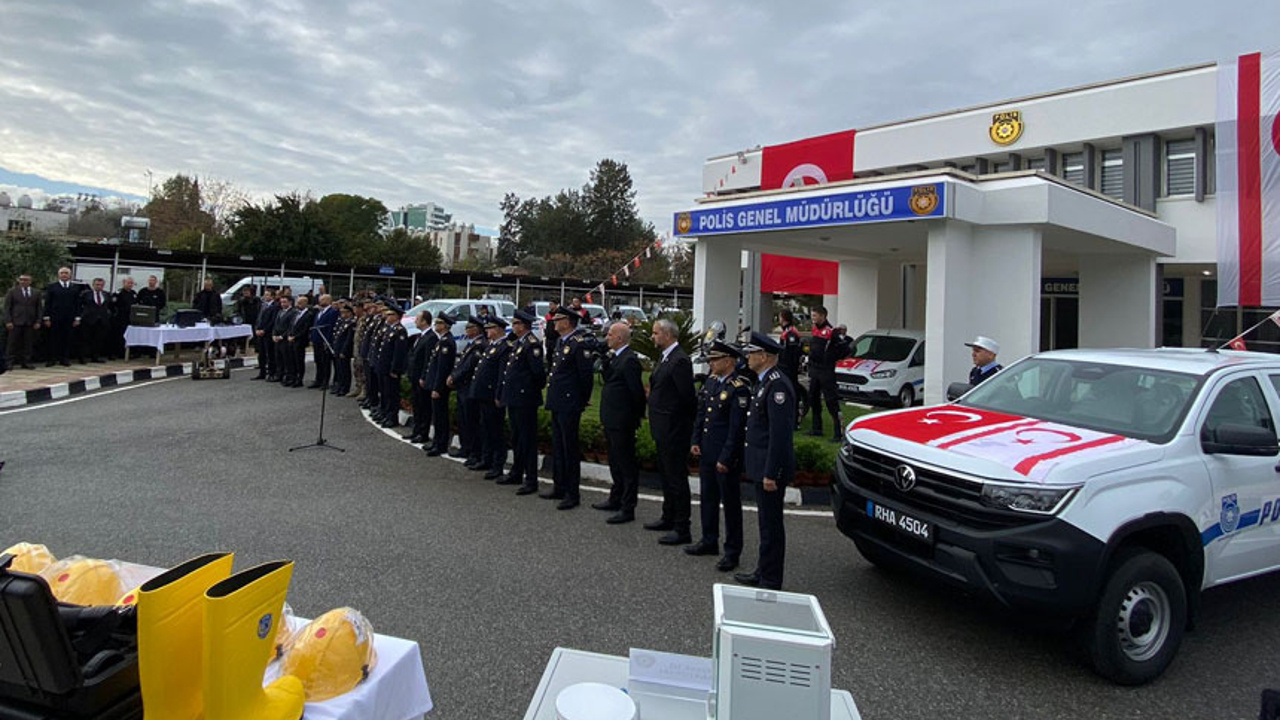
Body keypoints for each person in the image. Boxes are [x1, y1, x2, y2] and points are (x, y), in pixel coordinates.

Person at [735, 332, 796, 591]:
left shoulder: (777, 385)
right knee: (765, 523)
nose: (747, 357)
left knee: (771, 524)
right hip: (760, 465)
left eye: (752, 353)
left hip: (770, 469)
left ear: (764, 356)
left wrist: (771, 472)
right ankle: (764, 569)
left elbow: (779, 435)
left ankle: (771, 578)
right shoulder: (763, 382)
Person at [688, 340, 751, 571]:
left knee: (731, 504)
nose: (711, 364)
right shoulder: (711, 383)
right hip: (707, 450)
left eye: (715, 360)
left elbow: (737, 428)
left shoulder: (739, 387)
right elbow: (701, 414)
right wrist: (696, 441)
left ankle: (732, 551)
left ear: (729, 361)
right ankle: (708, 539)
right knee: (708, 497)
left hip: (725, 455)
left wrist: (726, 457)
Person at [646, 317, 697, 544]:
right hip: (662, 427)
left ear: (667, 335)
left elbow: (687, 398)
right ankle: (668, 516)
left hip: (674, 429)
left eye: (656, 333)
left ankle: (682, 527)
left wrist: (680, 425)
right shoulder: (665, 357)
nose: (653, 337)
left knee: (676, 478)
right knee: (666, 476)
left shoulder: (680, 361)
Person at [592, 321, 646, 525]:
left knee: (626, 463)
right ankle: (615, 497)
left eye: (611, 335)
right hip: (611, 417)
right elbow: (609, 379)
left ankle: (627, 506)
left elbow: (636, 393)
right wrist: (604, 361)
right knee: (615, 461)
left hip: (623, 419)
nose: (607, 338)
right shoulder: (615, 358)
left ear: (620, 338)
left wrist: (636, 416)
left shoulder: (629, 360)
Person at [543, 304, 595, 510]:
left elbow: (585, 377)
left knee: (569, 448)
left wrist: (582, 400)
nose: (554, 323)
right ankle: (559, 486)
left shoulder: (578, 344)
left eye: (557, 320)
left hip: (570, 402)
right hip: (557, 401)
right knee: (558, 445)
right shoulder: (560, 342)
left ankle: (572, 493)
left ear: (567, 322)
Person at [498, 309, 546, 494]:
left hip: (525, 398)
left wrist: (527, 391)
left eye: (516, 323)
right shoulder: (519, 343)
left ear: (523, 325)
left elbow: (538, 374)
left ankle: (531, 479)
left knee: (527, 439)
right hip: (515, 398)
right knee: (517, 437)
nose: (513, 326)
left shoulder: (531, 344)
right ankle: (516, 472)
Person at [470, 316, 511, 478]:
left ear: (499, 329)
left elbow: (502, 375)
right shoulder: (492, 346)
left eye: (490, 328)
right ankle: (486, 459)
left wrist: (499, 394)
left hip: (492, 394)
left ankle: (497, 464)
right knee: (486, 428)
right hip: (484, 394)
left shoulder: (504, 347)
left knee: (495, 431)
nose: (487, 331)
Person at [449, 316, 485, 467]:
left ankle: (473, 451)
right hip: (463, 387)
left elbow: (469, 367)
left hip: (469, 387)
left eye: (469, 328)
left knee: (471, 422)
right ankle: (466, 448)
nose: (466, 331)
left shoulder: (479, 345)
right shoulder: (471, 344)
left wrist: (454, 377)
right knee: (463, 420)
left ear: (476, 329)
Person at [806, 306, 843, 440]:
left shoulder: (831, 332)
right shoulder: (815, 329)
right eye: (812, 315)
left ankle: (838, 432)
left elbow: (843, 349)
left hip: (826, 371)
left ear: (823, 316)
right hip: (815, 370)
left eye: (815, 315)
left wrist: (830, 358)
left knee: (831, 402)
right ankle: (817, 428)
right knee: (813, 399)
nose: (813, 318)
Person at [423, 312, 457, 456]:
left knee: (441, 416)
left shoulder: (447, 342)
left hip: (440, 387)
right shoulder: (441, 340)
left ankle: (441, 444)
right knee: (437, 416)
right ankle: (437, 441)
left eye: (438, 323)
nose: (436, 326)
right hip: (436, 384)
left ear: (445, 326)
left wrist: (437, 388)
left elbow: (443, 369)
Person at [376, 306, 409, 428]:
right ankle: (386, 413)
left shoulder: (400, 330)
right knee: (385, 392)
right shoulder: (391, 329)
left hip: (391, 369)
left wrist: (395, 369)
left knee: (392, 394)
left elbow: (399, 353)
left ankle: (392, 417)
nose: (387, 316)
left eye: (390, 315)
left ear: (396, 317)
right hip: (385, 367)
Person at [406, 312, 435, 444]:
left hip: (421, 378)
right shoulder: (420, 336)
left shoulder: (431, 338)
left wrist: (424, 377)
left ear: (424, 321)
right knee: (417, 405)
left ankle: (423, 433)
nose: (415, 321)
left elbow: (428, 360)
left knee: (423, 407)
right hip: (414, 376)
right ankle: (416, 431)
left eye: (418, 319)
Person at [42, 267, 79, 367]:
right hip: (55, 317)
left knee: (67, 339)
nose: (64, 275)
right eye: (62, 273)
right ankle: (51, 359)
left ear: (70, 275)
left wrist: (77, 318)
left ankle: (65, 359)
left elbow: (77, 304)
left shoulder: (74, 288)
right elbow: (47, 303)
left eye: (66, 273)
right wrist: (46, 317)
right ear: (59, 275)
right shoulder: (52, 287)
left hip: (69, 318)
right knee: (53, 339)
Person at [4, 274, 41, 369]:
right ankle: (9, 362)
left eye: (26, 280)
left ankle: (26, 362)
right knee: (12, 343)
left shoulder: (36, 292)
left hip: (30, 322)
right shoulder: (12, 291)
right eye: (21, 280)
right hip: (15, 321)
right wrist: (8, 321)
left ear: (30, 281)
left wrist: (38, 321)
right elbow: (7, 307)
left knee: (28, 343)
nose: (23, 281)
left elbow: (39, 308)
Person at [777, 309, 804, 425]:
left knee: (792, 392)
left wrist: (791, 367)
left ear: (783, 318)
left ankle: (794, 420)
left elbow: (792, 353)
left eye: (779, 316)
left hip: (789, 368)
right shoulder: (786, 331)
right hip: (784, 367)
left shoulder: (791, 333)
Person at [76, 278, 112, 363]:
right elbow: (79, 305)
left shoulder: (106, 294)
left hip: (101, 320)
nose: (99, 287)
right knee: (85, 339)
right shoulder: (86, 294)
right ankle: (82, 357)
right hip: (88, 319)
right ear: (93, 285)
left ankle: (95, 357)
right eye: (97, 285)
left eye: (101, 285)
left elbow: (109, 306)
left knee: (98, 339)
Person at [308, 294, 338, 390]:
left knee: (325, 362)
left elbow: (330, 327)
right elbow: (315, 325)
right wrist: (312, 338)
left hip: (324, 340)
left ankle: (325, 381)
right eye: (320, 300)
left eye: (323, 300)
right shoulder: (319, 312)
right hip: (317, 340)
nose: (320, 301)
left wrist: (328, 340)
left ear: (328, 300)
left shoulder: (332, 312)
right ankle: (318, 379)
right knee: (318, 361)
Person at [286, 295, 315, 387]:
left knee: (299, 360)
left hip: (300, 340)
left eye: (300, 303)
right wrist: (289, 335)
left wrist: (295, 336)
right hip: (291, 339)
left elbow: (305, 329)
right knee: (291, 360)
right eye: (297, 303)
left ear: (305, 303)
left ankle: (299, 379)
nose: (298, 305)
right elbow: (291, 325)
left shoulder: (308, 315)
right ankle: (293, 377)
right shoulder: (295, 313)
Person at [271, 295, 299, 385]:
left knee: (287, 359)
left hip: (285, 339)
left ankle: (288, 376)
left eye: (285, 302)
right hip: (277, 338)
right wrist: (274, 335)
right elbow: (275, 324)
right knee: (278, 358)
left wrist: (282, 336)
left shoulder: (293, 312)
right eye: (281, 302)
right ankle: (279, 374)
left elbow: (290, 327)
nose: (282, 304)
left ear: (290, 302)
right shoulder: (280, 312)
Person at [251, 290, 278, 380]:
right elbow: (259, 318)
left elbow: (273, 321)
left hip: (268, 333)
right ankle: (262, 372)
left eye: (267, 295)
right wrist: (257, 328)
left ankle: (271, 372)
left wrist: (265, 330)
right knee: (261, 353)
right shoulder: (263, 305)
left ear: (272, 296)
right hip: (260, 332)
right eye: (265, 295)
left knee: (269, 353)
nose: (265, 296)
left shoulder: (275, 307)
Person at [330, 303, 356, 396]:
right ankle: (339, 385)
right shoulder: (341, 322)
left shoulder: (351, 323)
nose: (343, 315)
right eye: (341, 313)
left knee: (344, 369)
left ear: (349, 313)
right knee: (338, 369)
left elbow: (349, 339)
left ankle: (345, 387)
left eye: (345, 312)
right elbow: (336, 335)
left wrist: (344, 351)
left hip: (344, 350)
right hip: (337, 348)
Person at [109, 277, 136, 360]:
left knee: (127, 336)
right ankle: (114, 353)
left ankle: (126, 352)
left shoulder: (133, 293)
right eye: (128, 283)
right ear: (124, 283)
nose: (130, 285)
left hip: (130, 318)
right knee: (117, 336)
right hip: (119, 318)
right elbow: (112, 304)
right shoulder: (118, 293)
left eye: (131, 283)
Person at [347, 300, 368, 399]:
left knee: (362, 368)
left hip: (362, 347)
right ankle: (358, 387)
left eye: (356, 308)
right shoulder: (357, 319)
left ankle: (364, 390)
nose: (354, 310)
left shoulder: (364, 319)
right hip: (356, 346)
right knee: (356, 368)